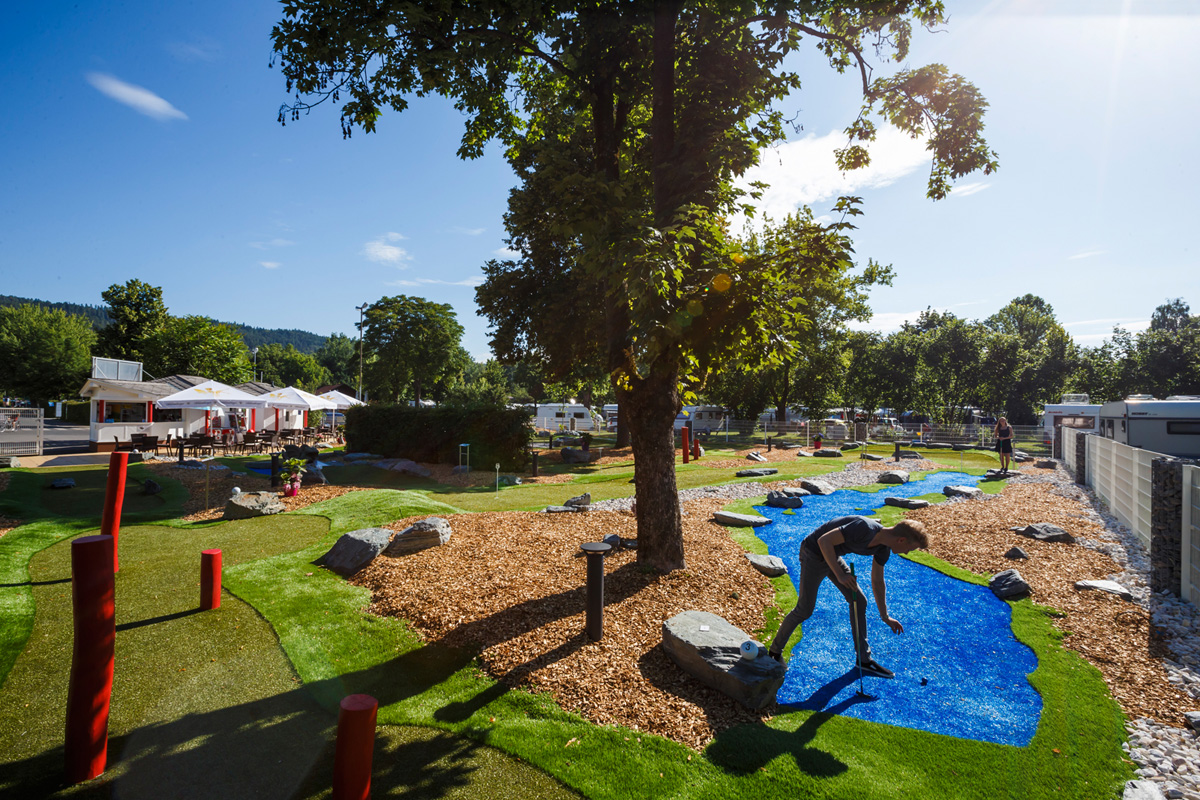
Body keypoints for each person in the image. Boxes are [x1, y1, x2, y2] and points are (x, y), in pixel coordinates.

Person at [767, 516, 930, 679]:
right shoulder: (864, 528)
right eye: (910, 548)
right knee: (805, 609)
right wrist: (839, 574)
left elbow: (878, 581)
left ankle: (864, 660)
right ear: (901, 540)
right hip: (814, 552)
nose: (908, 553)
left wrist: (885, 616)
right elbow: (824, 541)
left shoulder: (883, 549)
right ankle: (774, 652)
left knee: (859, 601)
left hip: (832, 555)